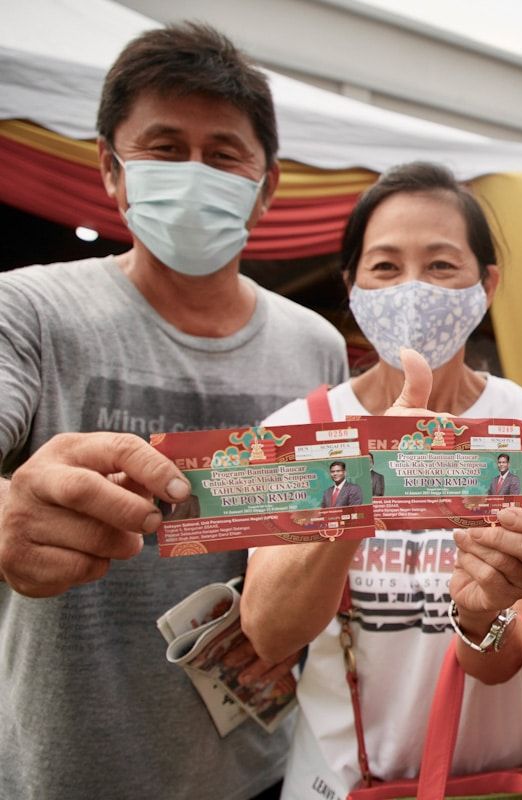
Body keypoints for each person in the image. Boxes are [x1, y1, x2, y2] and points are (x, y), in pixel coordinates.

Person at [0, 23, 348, 800]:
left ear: (267, 186)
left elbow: (316, 532)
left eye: (223, 155)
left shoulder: (315, 347)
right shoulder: (29, 312)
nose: (194, 173)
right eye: (163, 147)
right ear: (112, 170)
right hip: (66, 772)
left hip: (259, 769)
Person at [240, 162, 522, 799]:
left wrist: (485, 619)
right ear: (354, 287)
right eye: (386, 268)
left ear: (488, 284)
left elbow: (507, 651)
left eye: (442, 265)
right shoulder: (298, 430)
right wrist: (365, 480)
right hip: (337, 782)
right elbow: (270, 632)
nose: (413, 289)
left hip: (487, 782)